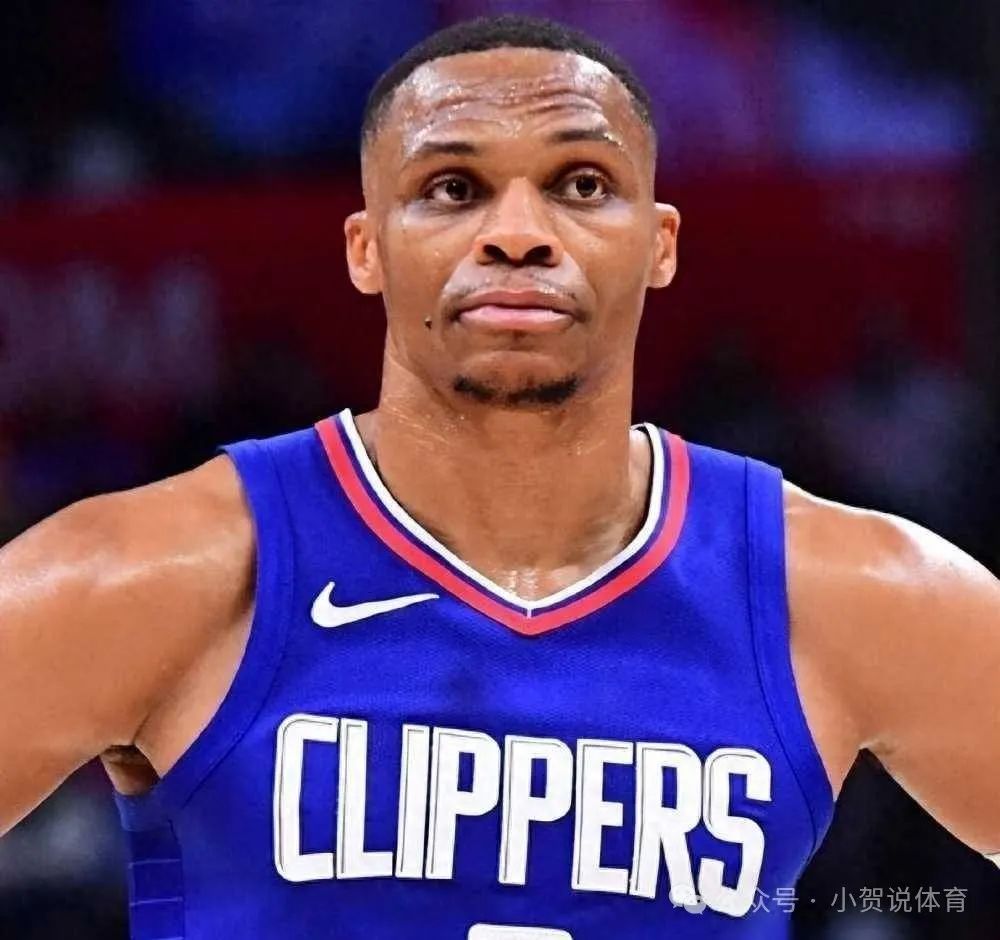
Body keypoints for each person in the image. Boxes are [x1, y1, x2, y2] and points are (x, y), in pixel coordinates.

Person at [0, 14, 997, 939]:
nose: (518, 232)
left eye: (581, 184)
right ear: (366, 248)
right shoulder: (153, 574)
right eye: (453, 187)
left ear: (659, 245)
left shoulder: (846, 592)